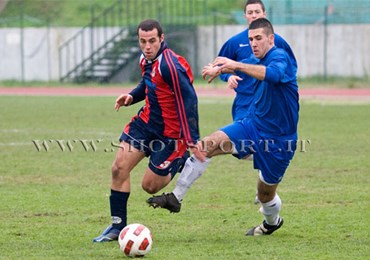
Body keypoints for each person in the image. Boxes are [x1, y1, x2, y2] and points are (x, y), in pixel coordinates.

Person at [148, 17, 299, 236]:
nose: (254, 43)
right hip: (252, 126)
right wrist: (224, 72)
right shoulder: (256, 59)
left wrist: (234, 65)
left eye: (258, 38)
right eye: (251, 39)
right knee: (206, 145)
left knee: (265, 194)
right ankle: (175, 198)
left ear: (271, 39)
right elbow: (245, 71)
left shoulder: (280, 57)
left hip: (279, 140)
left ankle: (272, 223)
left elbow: (273, 75)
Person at [93, 19, 200, 242]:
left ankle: (180, 158)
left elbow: (189, 99)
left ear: (162, 39)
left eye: (152, 41)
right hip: (146, 123)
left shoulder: (171, 65)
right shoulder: (146, 59)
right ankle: (116, 227)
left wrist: (192, 139)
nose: (147, 46)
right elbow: (148, 84)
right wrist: (132, 96)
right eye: (143, 41)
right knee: (118, 168)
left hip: (171, 134)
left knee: (149, 187)